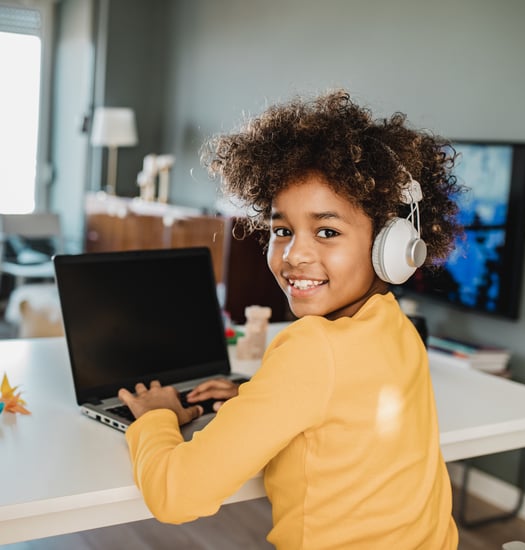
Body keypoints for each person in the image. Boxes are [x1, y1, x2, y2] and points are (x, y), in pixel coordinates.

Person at [118, 90, 462, 549]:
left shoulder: (313, 348)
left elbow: (175, 495)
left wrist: (157, 417)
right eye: (282, 230)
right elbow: (345, 402)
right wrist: (253, 395)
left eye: (327, 231)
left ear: (390, 245)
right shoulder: (394, 324)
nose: (295, 254)